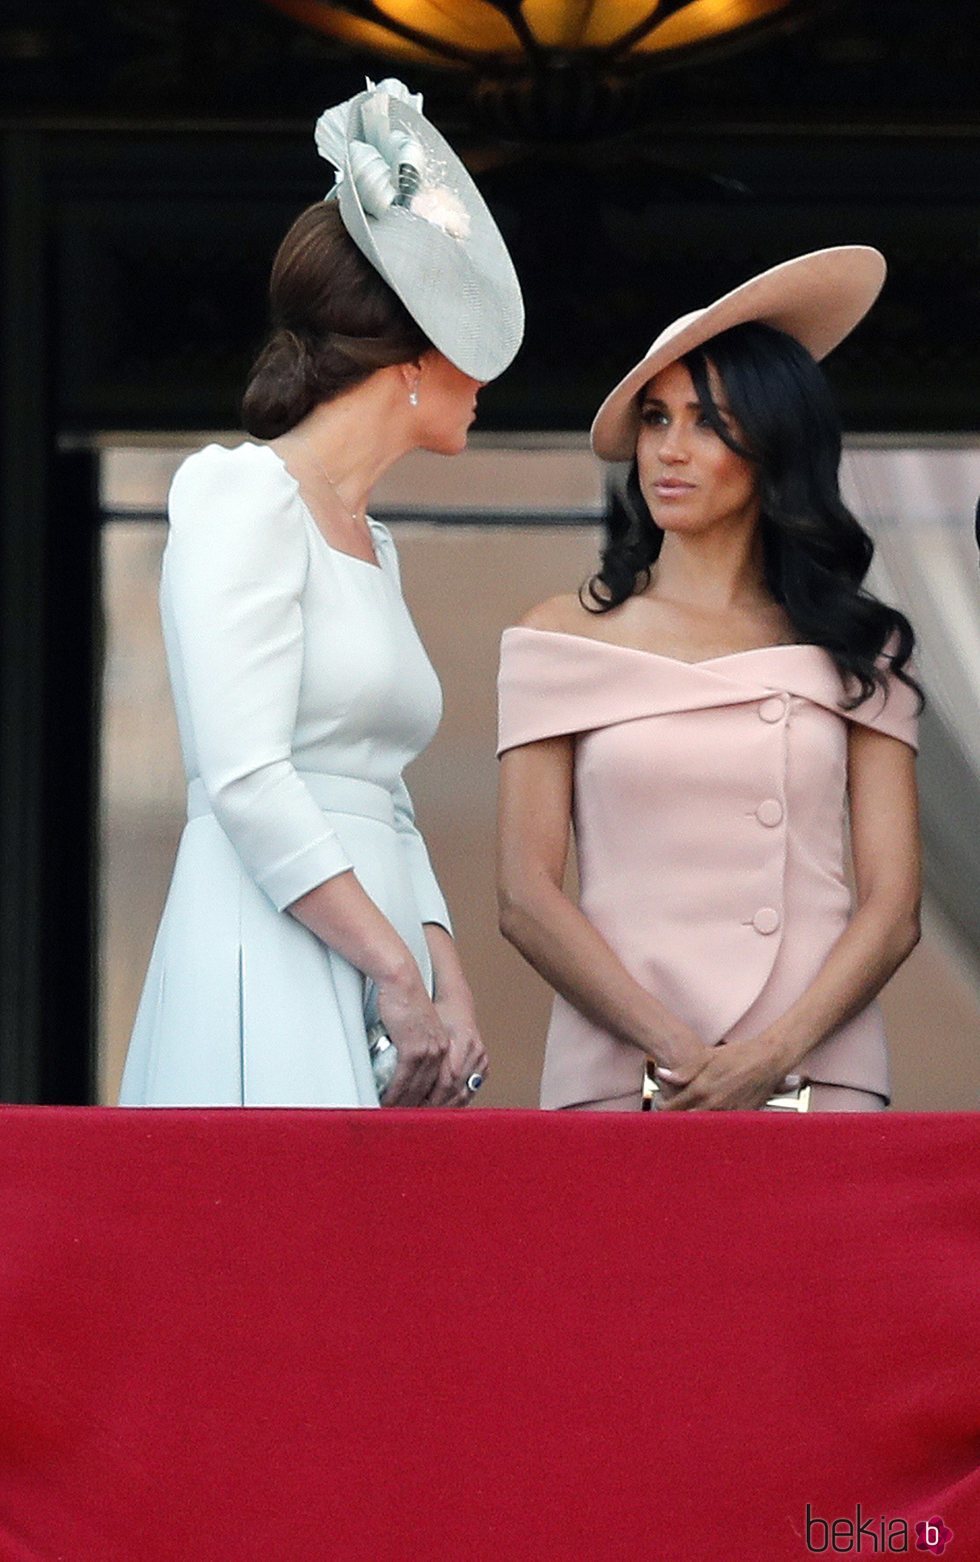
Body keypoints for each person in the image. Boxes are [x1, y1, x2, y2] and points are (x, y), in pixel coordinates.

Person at [119, 78, 523, 1107]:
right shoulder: (240, 491)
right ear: (412, 360)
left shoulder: (371, 540)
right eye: (466, 341)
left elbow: (383, 792)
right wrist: (392, 970)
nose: (484, 380)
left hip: (381, 949)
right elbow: (246, 772)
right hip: (270, 932)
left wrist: (446, 974)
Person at [497, 247, 922, 1113]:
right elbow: (525, 894)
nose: (670, 452)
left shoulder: (858, 646)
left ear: (774, 447)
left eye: (707, 423)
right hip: (623, 1078)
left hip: (815, 1075)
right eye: (656, 420)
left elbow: (894, 906)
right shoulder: (560, 638)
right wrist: (676, 1055)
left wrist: (773, 1056)